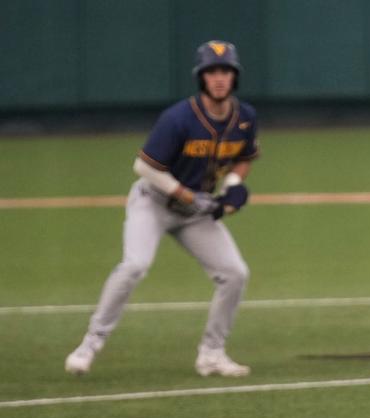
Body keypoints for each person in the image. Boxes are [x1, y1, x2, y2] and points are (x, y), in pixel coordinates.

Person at [65, 40, 259, 377]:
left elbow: (243, 159)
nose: (219, 78)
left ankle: (211, 353)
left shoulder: (244, 118)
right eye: (211, 71)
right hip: (153, 203)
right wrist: (186, 194)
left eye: (225, 71)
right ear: (201, 78)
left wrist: (232, 188)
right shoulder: (179, 118)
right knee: (134, 265)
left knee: (235, 273)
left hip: (194, 211)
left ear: (234, 77)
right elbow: (145, 167)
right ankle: (90, 343)